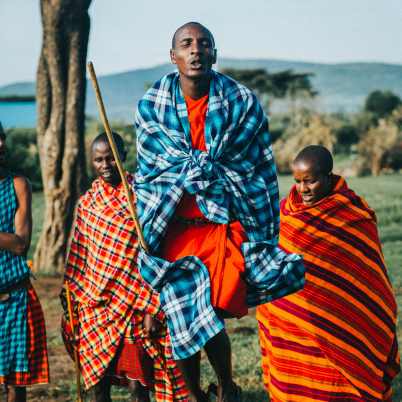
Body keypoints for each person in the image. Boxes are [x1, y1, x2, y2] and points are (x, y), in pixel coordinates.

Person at [134, 22, 305, 402]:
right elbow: (151, 173)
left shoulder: (241, 103)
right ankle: (196, 395)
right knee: (184, 317)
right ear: (173, 56)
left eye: (204, 44)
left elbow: (256, 167)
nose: (196, 50)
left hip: (222, 226)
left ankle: (226, 384)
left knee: (209, 313)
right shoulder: (152, 106)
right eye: (187, 44)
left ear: (214, 53)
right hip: (174, 229)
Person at [257, 145, 400, 401]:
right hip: (291, 322)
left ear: (328, 176)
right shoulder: (286, 214)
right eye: (298, 181)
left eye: (310, 181)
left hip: (341, 316)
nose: (303, 189)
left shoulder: (353, 215)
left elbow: (369, 275)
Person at [62, 132, 188, 402]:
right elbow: (80, 256)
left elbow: (159, 254)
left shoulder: (142, 198)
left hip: (135, 305)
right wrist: (71, 300)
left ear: (124, 157)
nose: (106, 165)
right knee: (97, 385)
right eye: (99, 160)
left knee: (137, 387)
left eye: (112, 158)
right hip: (96, 308)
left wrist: (153, 308)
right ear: (92, 163)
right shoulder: (87, 204)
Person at [0, 121, 49, 402]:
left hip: (16, 296)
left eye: (2, 137)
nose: (0, 144)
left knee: (16, 386)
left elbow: (20, 244)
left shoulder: (18, 185)